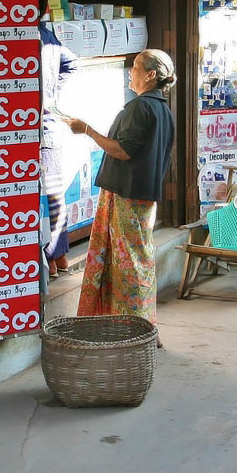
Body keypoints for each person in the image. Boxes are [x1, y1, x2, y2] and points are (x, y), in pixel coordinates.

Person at [66, 49, 177, 321]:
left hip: (128, 195)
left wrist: (87, 130)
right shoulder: (161, 109)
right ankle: (141, 322)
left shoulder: (141, 107)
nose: (131, 71)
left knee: (130, 263)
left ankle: (135, 326)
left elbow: (123, 151)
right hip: (140, 195)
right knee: (136, 258)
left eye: (136, 67)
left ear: (151, 75)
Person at [38, 16, 82, 277]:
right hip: (49, 125)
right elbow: (71, 64)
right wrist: (52, 93)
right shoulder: (47, 34)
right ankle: (59, 256)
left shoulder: (27, 36)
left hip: (39, 129)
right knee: (54, 193)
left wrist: (48, 93)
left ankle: (51, 259)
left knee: (43, 196)